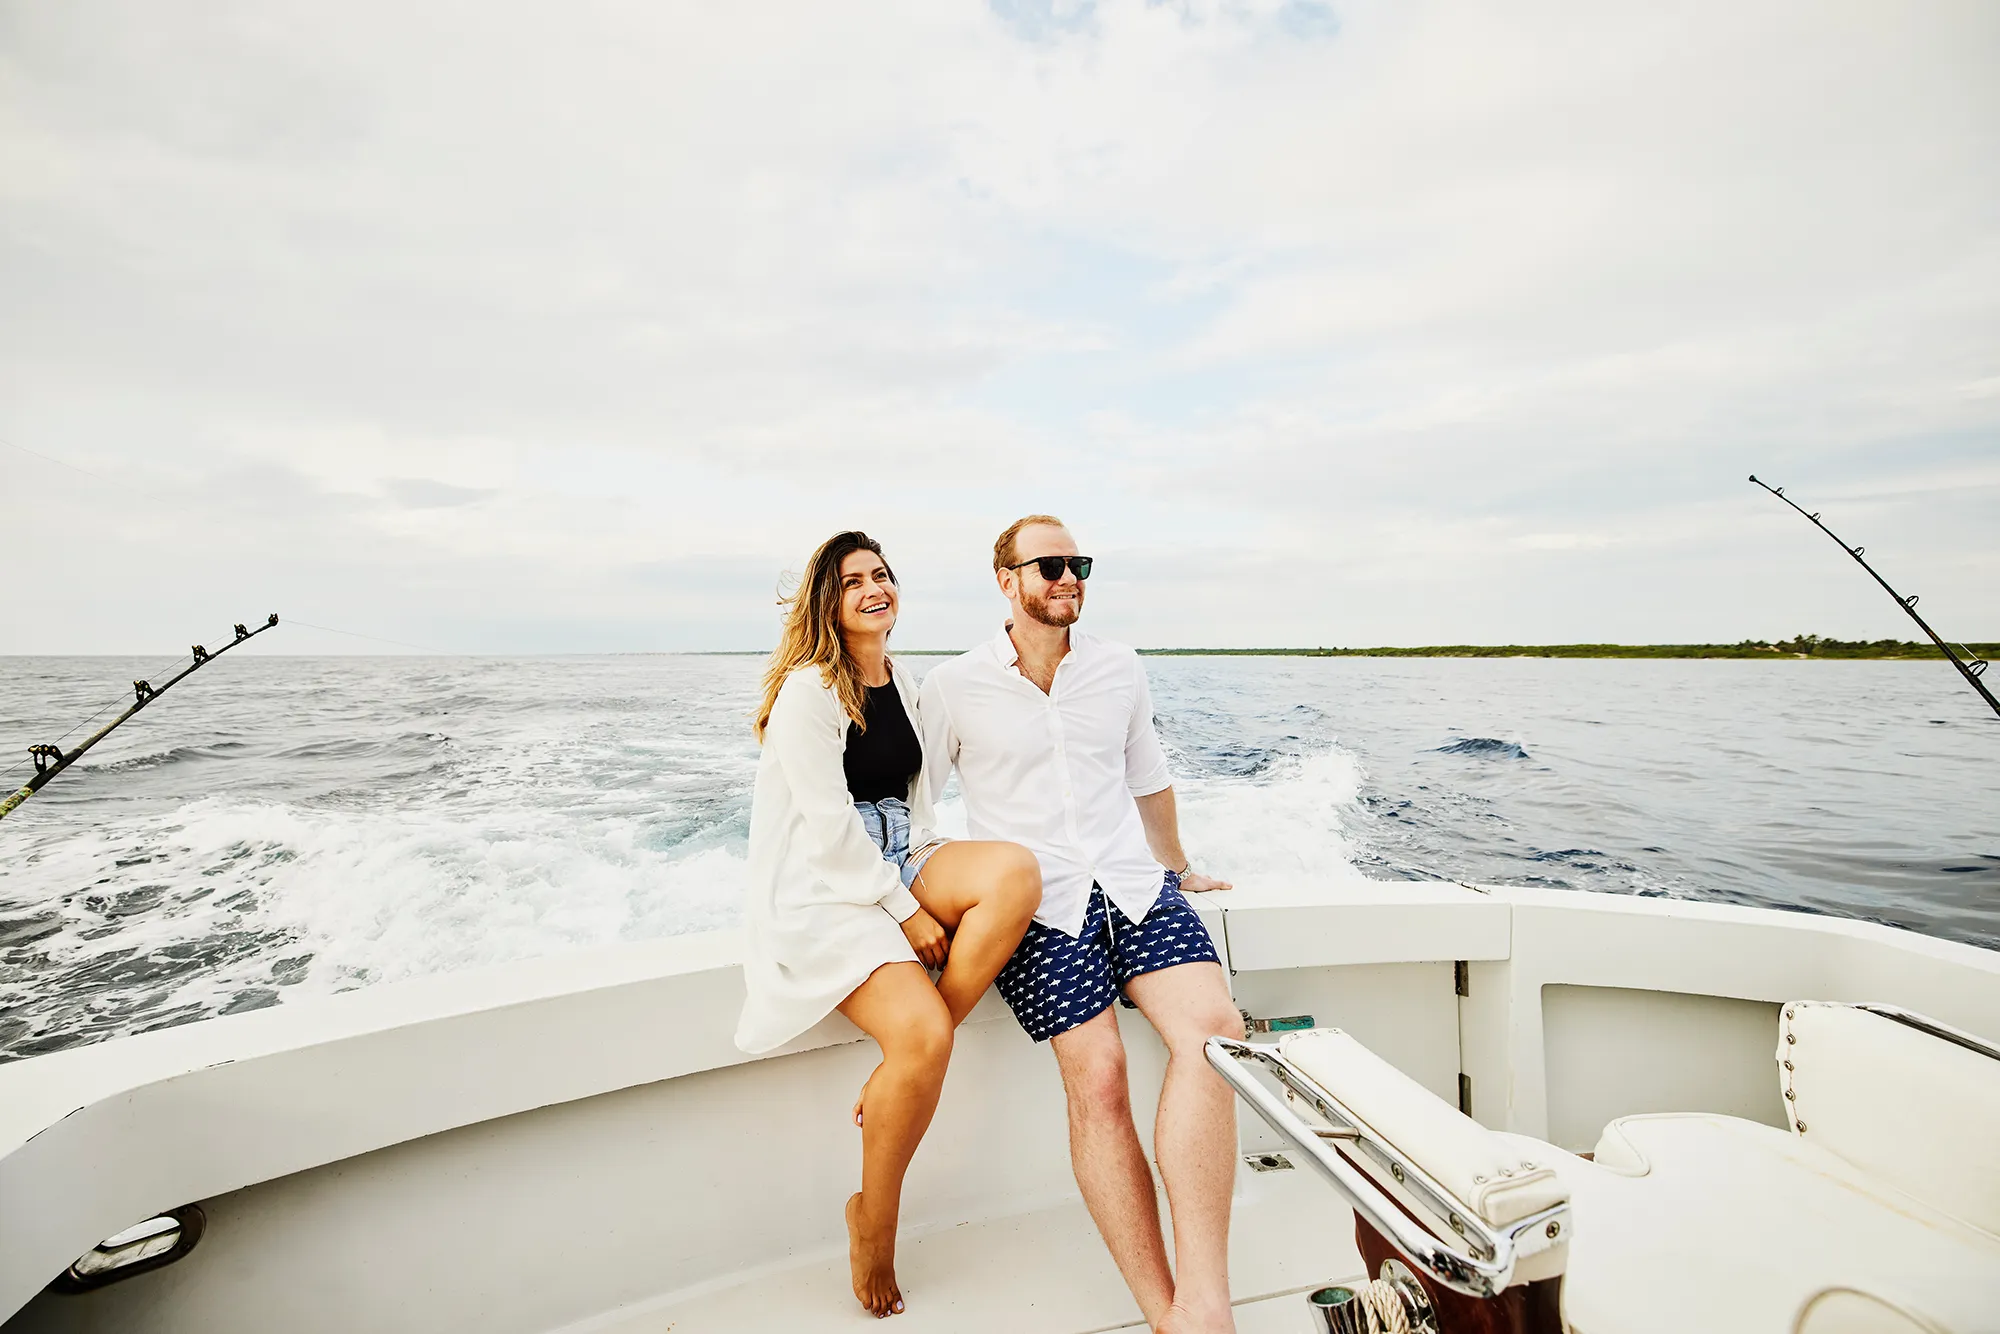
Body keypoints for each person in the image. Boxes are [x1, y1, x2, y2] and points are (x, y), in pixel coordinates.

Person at [918, 515, 1243, 1334]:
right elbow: (915, 818)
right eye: (1050, 564)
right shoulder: (953, 686)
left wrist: (1176, 864)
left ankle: (1205, 1306)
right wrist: (920, 909)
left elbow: (1150, 780)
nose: (1068, 577)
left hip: (1133, 882)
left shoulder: (1120, 668)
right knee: (1097, 1078)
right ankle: (1161, 1313)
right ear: (1006, 580)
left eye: (1078, 564)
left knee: (1214, 1034)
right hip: (1039, 907)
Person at [735, 529, 1042, 1320]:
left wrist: (921, 877)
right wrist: (905, 911)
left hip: (900, 854)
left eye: (882, 575)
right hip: (827, 887)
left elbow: (917, 802)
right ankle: (874, 1222)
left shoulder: (907, 683)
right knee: (924, 1041)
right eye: (852, 582)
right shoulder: (809, 690)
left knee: (1015, 874)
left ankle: (913, 1052)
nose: (874, 588)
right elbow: (829, 829)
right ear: (828, 605)